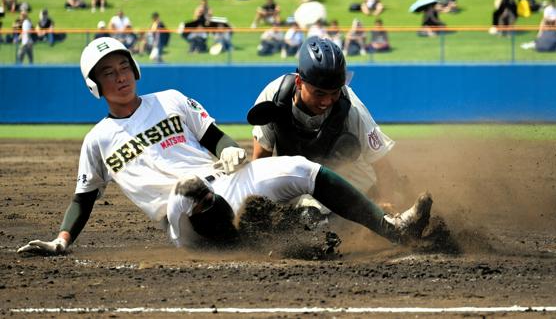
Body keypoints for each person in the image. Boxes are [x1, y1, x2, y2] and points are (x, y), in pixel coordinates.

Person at [17, 38, 433, 254]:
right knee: (190, 191)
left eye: (124, 66)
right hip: (179, 211)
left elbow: (216, 138)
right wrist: (62, 239)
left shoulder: (172, 99)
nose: (121, 76)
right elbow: (84, 198)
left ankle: (392, 229)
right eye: (109, 73)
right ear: (96, 85)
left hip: (223, 180)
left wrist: (229, 149)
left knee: (303, 170)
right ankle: (266, 238)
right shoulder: (97, 140)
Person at [248, 36, 411, 209]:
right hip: (298, 180)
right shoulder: (275, 97)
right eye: (319, 93)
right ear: (299, 82)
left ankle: (401, 190)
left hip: (351, 182)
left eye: (334, 93)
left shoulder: (351, 108)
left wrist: (386, 205)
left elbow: (382, 166)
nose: (327, 101)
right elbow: (259, 161)